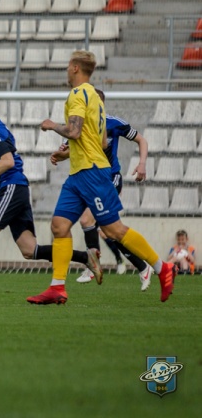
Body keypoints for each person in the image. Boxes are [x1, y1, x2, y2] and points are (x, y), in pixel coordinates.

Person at [29, 50, 176, 304]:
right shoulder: (95, 99)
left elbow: (74, 132)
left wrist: (51, 125)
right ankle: (57, 287)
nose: (67, 70)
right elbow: (99, 141)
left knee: (113, 229)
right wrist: (68, 154)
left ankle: (162, 268)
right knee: (59, 226)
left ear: (76, 68)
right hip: (78, 173)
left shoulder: (78, 94)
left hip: (92, 173)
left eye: (68, 66)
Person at [0, 85, 100, 304]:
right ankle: (85, 257)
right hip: (17, 189)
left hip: (12, 187)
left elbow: (8, 161)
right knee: (30, 250)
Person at [62, 89, 153, 289]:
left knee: (87, 220)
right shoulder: (78, 125)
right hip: (90, 180)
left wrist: (142, 164)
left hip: (111, 177)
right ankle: (142, 266)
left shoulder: (113, 123)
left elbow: (142, 140)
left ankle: (92, 266)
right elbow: (68, 150)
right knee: (110, 231)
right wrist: (59, 154)